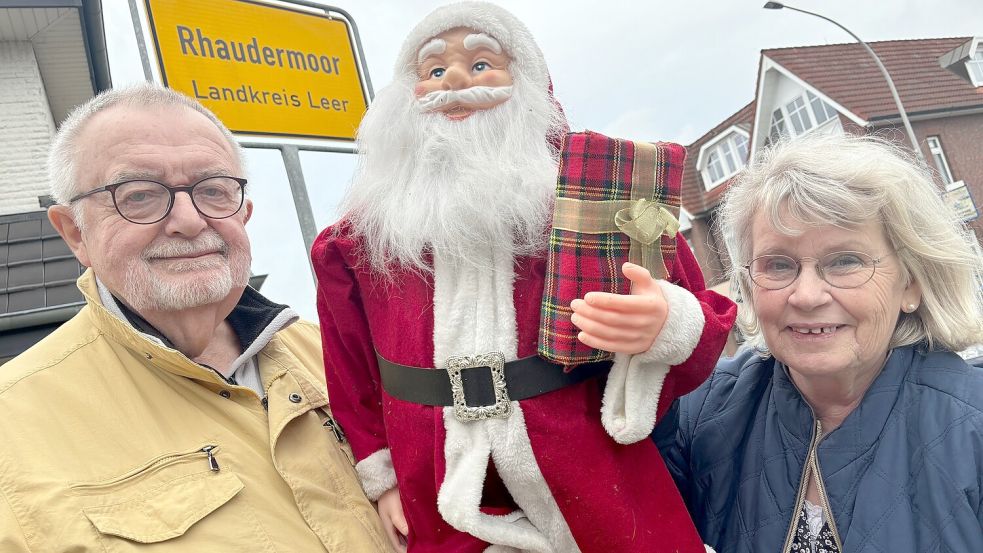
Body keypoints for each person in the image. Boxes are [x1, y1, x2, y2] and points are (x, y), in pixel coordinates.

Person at [312, 3, 735, 552]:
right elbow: (352, 374)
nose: (457, 81)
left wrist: (666, 323)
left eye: (483, 63)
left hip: (595, 480)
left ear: (529, 81)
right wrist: (383, 479)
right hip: (438, 489)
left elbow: (700, 313)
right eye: (434, 71)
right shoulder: (360, 241)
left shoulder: (601, 196)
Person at [0, 84, 391, 552]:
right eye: (139, 195)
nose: (188, 219)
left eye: (212, 190)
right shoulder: (13, 429)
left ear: (243, 213)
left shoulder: (345, 358)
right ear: (74, 234)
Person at [655, 133, 983, 552]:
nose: (806, 295)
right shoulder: (700, 413)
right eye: (777, 265)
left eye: (845, 261)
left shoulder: (971, 427)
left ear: (911, 282)